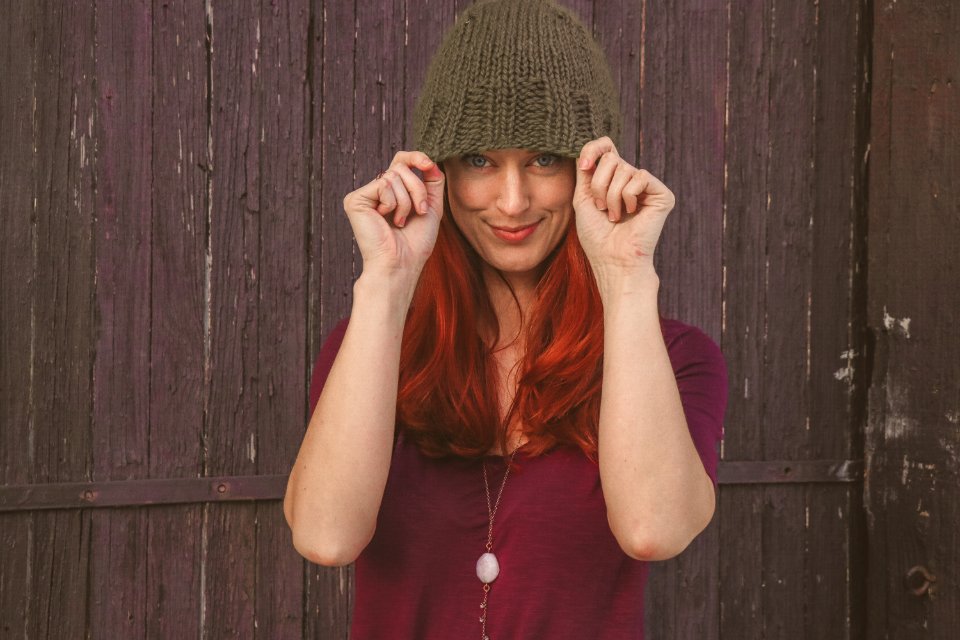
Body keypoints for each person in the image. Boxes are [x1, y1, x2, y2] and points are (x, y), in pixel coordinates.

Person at [283, 0, 728, 637]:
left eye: (544, 159)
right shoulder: (371, 348)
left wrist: (628, 276)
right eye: (480, 161)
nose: (513, 201)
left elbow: (654, 529)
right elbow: (326, 537)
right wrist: (385, 282)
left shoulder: (677, 357)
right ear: (437, 171)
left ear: (590, 170)